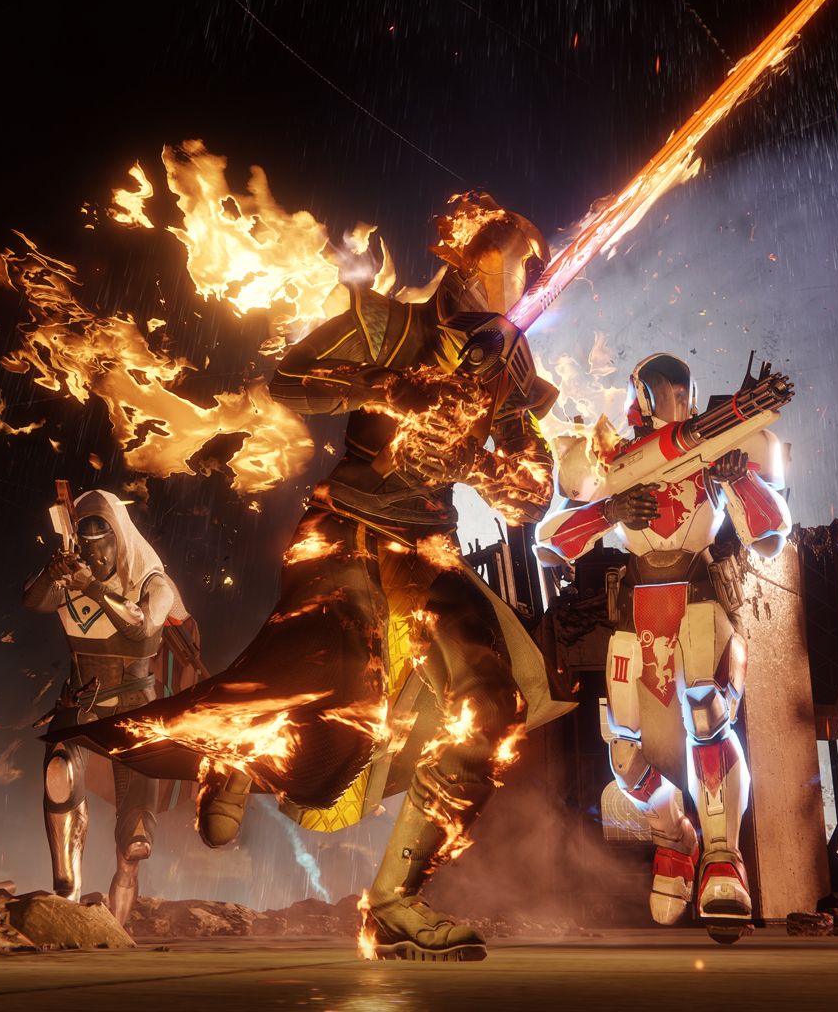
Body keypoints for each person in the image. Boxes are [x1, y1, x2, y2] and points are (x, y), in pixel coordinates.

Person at [46, 193, 569, 961]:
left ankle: (393, 902)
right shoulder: (388, 326)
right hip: (346, 534)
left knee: (493, 705)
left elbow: (534, 489)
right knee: (325, 697)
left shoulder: (511, 365)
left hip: (427, 550)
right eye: (510, 261)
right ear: (465, 260)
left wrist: (487, 467)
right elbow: (292, 381)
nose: (518, 279)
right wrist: (387, 388)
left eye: (527, 270)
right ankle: (236, 757)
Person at [535, 352, 790, 942]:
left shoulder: (719, 446)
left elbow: (771, 535)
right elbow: (550, 543)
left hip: (698, 604)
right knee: (626, 757)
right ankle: (674, 838)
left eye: (669, 391)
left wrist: (737, 477)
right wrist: (611, 509)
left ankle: (723, 859)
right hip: (636, 616)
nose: (656, 400)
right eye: (649, 391)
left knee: (708, 716)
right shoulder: (613, 459)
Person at [22, 489, 202, 925]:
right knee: (60, 774)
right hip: (80, 702)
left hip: (135, 709)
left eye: (101, 541)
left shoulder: (153, 583)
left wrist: (94, 587)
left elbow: (142, 629)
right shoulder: (69, 579)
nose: (94, 553)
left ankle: (116, 929)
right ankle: (66, 894)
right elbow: (33, 600)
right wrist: (54, 572)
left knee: (135, 841)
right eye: (85, 543)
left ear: (119, 537)